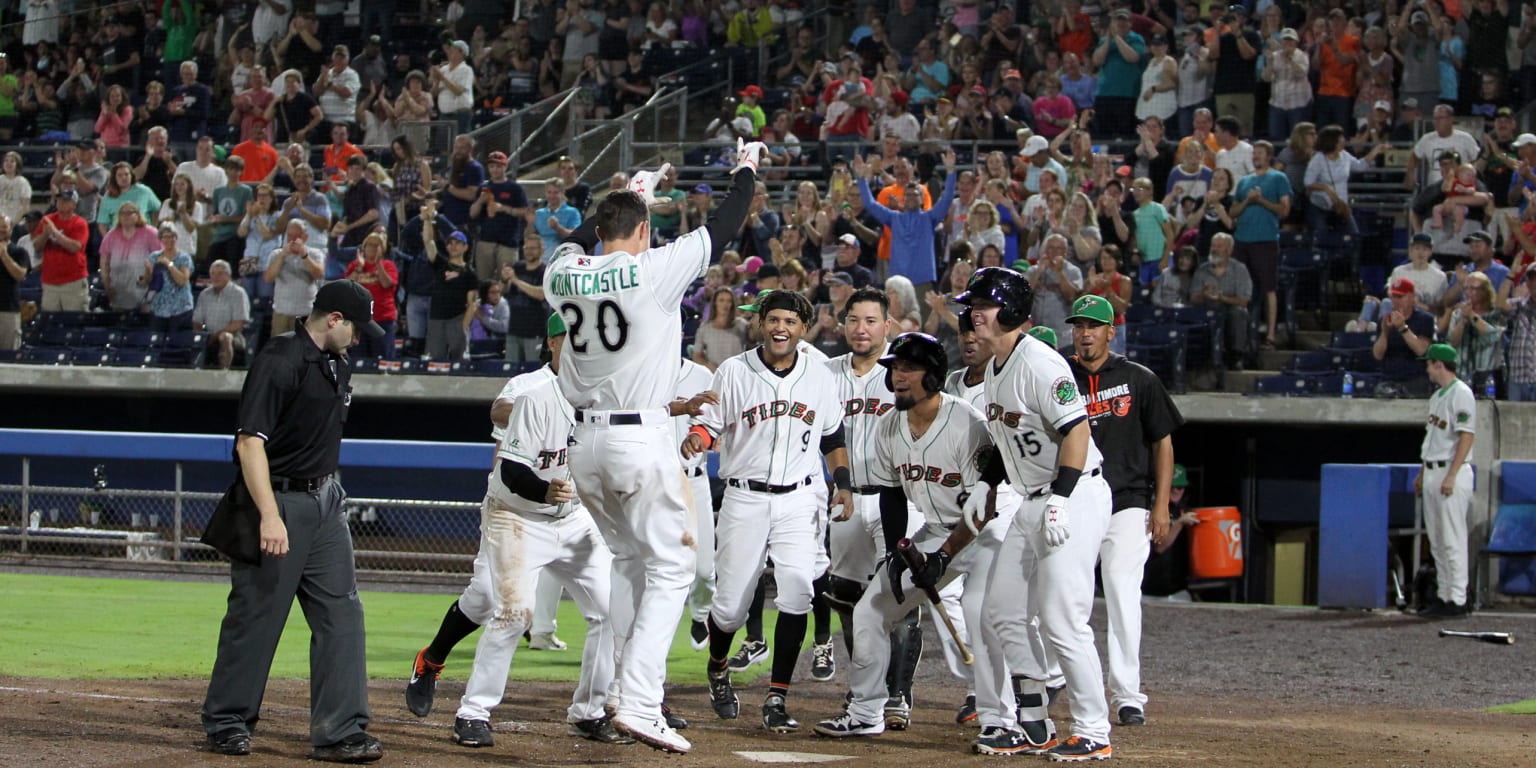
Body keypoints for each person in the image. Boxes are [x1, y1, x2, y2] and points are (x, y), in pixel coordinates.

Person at [541, 145, 762, 754]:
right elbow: (725, 222)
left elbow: (586, 238)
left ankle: (608, 694)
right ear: (642, 230)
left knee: (630, 565)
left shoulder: (561, 270)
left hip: (582, 444)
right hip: (638, 438)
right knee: (675, 567)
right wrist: (745, 168)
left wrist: (634, 193)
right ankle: (640, 701)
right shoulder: (653, 267)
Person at [201, 280, 386, 763]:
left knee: (343, 614)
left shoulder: (337, 362)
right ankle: (227, 721)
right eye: (356, 327)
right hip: (278, 502)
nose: (360, 338)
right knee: (257, 616)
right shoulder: (279, 359)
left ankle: (340, 729)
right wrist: (268, 515)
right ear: (333, 320)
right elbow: (249, 443)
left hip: (326, 502)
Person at [813, 331, 1012, 746]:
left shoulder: (965, 425)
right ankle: (866, 711)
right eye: (895, 369)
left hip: (987, 531)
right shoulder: (889, 427)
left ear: (934, 375)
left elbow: (987, 504)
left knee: (980, 614)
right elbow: (890, 493)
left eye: (909, 368)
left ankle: (999, 719)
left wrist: (942, 557)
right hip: (937, 529)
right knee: (873, 608)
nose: (898, 376)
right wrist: (895, 553)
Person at [956, 267, 1113, 761]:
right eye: (973, 304)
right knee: (1001, 611)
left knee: (1063, 621)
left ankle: (1094, 730)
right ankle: (1031, 720)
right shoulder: (996, 367)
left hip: (1073, 494)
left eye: (983, 304)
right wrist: (986, 482)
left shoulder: (1041, 364)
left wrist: (1063, 499)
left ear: (1012, 311)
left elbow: (1076, 433)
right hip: (1031, 497)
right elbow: (1009, 440)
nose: (973, 313)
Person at [685, 289, 853, 737]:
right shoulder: (734, 371)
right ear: (759, 323)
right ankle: (718, 667)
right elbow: (710, 422)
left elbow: (833, 438)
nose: (781, 328)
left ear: (803, 328)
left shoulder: (820, 376)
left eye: (790, 321)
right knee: (730, 609)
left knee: (798, 591)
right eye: (773, 319)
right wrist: (698, 438)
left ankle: (777, 696)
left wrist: (843, 484)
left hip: (801, 497)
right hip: (745, 497)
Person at [1066, 295, 1183, 727]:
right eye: (1079, 325)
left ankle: (1127, 694)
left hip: (1127, 501)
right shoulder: (1061, 374)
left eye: (1093, 326)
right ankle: (1060, 679)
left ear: (1110, 332)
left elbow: (1163, 442)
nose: (1085, 333)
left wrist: (1161, 505)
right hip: (1074, 500)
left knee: (1121, 593)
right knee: (1067, 597)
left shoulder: (1139, 378)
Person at [819, 287, 928, 726]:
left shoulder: (905, 375)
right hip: (846, 497)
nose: (861, 329)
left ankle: (897, 695)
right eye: (853, 320)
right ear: (842, 324)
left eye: (870, 321)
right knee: (847, 597)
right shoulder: (823, 373)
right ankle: (866, 688)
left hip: (897, 496)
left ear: (889, 325)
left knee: (898, 594)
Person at [1414, 344, 1476, 618]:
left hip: (1453, 472)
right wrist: (1422, 472)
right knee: (1437, 540)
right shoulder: (1438, 396)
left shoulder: (1461, 393)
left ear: (1440, 364)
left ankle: (1458, 598)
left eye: (1429, 363)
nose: (1427, 367)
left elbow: (1467, 436)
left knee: (1452, 538)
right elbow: (1432, 438)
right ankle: (1443, 595)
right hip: (1433, 469)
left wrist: (1451, 474)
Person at [854, 149, 957, 290]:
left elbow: (947, 199)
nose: (911, 197)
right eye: (907, 195)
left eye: (915, 195)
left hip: (923, 280)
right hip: (897, 282)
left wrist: (951, 172)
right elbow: (870, 204)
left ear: (922, 199)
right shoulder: (893, 217)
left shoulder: (930, 218)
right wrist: (861, 179)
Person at [1230, 141, 1291, 349]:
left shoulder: (1278, 178)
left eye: (1260, 153)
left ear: (1269, 156)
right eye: (1254, 153)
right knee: (1239, 288)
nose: (1255, 156)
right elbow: (1232, 212)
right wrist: (1248, 201)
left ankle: (1271, 335)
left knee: (1268, 288)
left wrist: (1261, 200)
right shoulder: (1244, 181)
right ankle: (1241, 337)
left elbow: (1284, 211)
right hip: (1241, 240)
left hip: (1265, 240)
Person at [1189, 233, 1254, 370]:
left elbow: (1244, 301)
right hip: (1206, 310)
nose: (1214, 249)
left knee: (1239, 313)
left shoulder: (1240, 269)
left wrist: (1221, 298)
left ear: (1229, 250)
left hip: (1230, 309)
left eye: (1219, 246)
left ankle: (1236, 356)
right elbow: (1193, 298)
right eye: (1213, 246)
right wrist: (1204, 295)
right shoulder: (1202, 270)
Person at [422, 212, 479, 362]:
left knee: (458, 361)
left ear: (465, 246)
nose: (453, 246)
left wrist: (464, 327)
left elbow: (472, 303)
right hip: (436, 318)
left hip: (456, 319)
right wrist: (427, 219)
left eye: (457, 243)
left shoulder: (470, 273)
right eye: (450, 243)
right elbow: (428, 242)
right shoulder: (440, 264)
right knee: (435, 360)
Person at [472, 151, 529, 279]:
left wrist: (504, 208)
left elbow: (524, 211)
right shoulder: (483, 188)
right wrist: (480, 201)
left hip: (508, 241)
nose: (495, 170)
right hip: (486, 240)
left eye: (498, 166)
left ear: (505, 167)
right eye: (492, 166)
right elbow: (472, 214)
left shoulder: (515, 188)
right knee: (483, 280)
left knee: (506, 280)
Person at [264, 219, 325, 337]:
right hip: (281, 313)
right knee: (280, 350)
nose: (292, 240)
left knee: (303, 351)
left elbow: (319, 274)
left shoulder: (315, 254)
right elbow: (268, 278)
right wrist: (282, 256)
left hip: (305, 313)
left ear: (305, 237)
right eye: (290, 235)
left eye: (297, 236)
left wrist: (304, 256)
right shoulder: (276, 254)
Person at [343, 231, 399, 360]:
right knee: (358, 360)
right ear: (364, 247)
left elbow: (386, 284)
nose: (373, 248)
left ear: (382, 248)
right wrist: (359, 267)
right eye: (370, 245)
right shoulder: (354, 266)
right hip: (359, 321)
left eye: (377, 245)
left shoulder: (388, 266)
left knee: (383, 360)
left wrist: (379, 265)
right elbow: (347, 286)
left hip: (382, 320)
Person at [32, 188, 89, 312]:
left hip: (73, 281)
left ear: (74, 204)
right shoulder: (47, 220)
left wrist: (54, 232)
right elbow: (37, 247)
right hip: (50, 280)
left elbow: (75, 247)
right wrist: (45, 234)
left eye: (65, 200)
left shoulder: (80, 223)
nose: (61, 203)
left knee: (74, 320)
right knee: (50, 321)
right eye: (59, 200)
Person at [99, 202, 159, 313]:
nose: (126, 216)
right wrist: (107, 285)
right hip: (118, 287)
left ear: (138, 215)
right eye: (122, 213)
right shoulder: (111, 235)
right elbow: (104, 261)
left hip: (143, 287)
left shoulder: (150, 233)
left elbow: (159, 258)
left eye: (130, 213)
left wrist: (149, 276)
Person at [194, 260, 252, 369]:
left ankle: (224, 372)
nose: (215, 277)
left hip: (234, 337)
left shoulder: (238, 293)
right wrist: (202, 333)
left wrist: (216, 335)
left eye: (220, 274)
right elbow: (197, 321)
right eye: (213, 274)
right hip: (208, 335)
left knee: (225, 337)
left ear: (228, 275)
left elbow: (238, 323)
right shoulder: (204, 294)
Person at [0, 214, 28, 351]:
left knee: (9, 354)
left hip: (8, 310)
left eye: (4, 227)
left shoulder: (18, 251)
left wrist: (4, 256)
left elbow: (20, 275)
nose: (1, 230)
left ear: (11, 230)